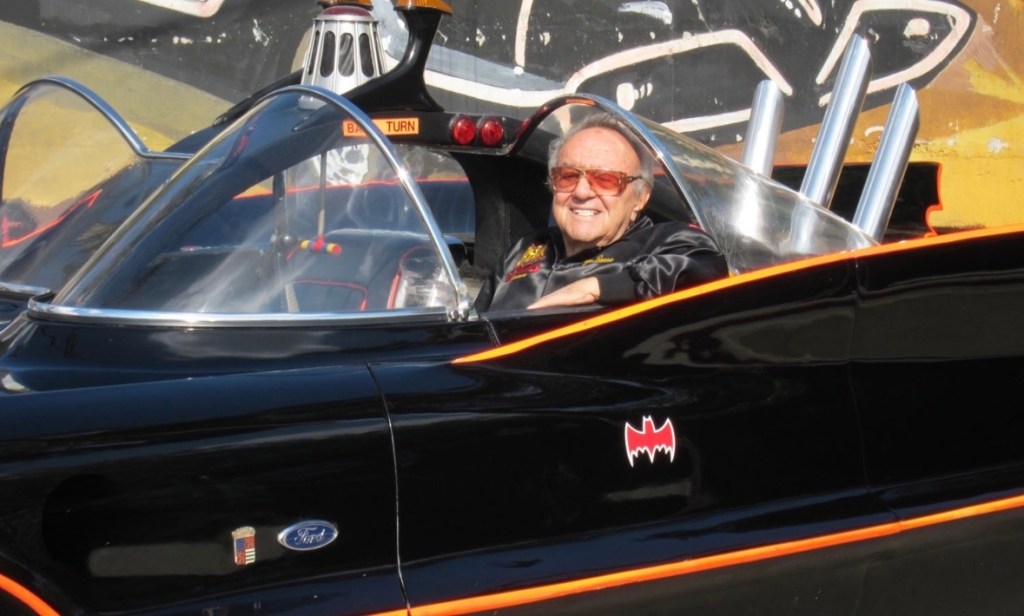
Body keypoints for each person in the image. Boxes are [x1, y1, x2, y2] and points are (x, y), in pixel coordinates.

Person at [474, 112, 729, 311]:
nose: (582, 192)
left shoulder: (666, 243)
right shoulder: (523, 251)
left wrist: (597, 288)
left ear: (640, 197)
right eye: (568, 176)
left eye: (605, 180)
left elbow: (706, 270)